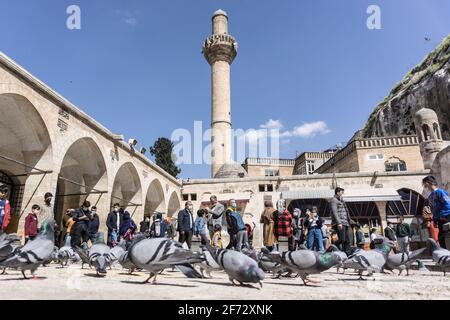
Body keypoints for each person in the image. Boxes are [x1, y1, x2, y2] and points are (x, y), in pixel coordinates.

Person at [423, 175, 450, 249]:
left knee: (446, 236)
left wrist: (444, 216)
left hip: (445, 218)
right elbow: (433, 209)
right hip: (439, 220)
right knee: (441, 238)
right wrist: (434, 220)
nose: (424, 186)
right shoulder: (430, 196)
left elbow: (447, 204)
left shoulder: (440, 192)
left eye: (424, 183)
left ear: (428, 183)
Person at [330, 187, 356, 254]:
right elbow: (334, 212)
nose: (342, 194)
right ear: (337, 192)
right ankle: (332, 247)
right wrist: (339, 222)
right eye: (341, 192)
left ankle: (347, 253)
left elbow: (345, 211)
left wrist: (349, 220)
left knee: (347, 240)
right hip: (340, 222)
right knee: (342, 239)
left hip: (345, 222)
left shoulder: (341, 200)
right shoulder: (334, 200)